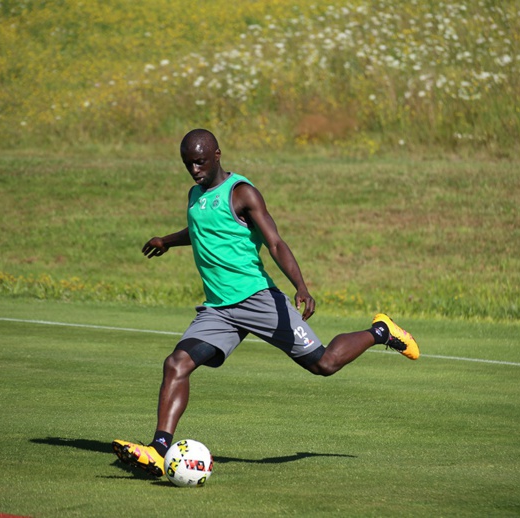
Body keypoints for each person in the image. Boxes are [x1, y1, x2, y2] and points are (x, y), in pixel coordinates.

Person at [112, 129, 419, 477]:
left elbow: (275, 243)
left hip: (259, 300)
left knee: (324, 364)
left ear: (217, 155)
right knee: (176, 364)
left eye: (200, 162)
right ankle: (158, 450)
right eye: (188, 164)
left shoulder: (242, 193)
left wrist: (300, 286)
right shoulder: (195, 195)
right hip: (218, 310)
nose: (194, 170)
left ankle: (381, 331)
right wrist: (167, 240)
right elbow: (202, 229)